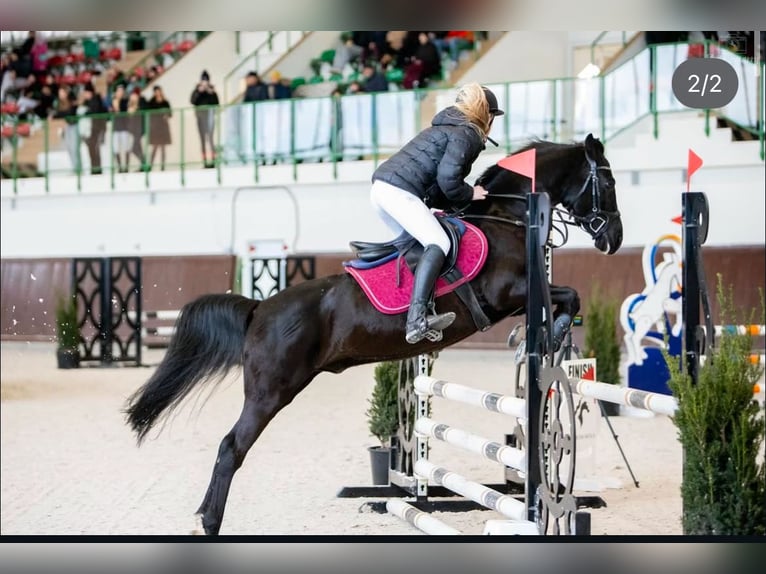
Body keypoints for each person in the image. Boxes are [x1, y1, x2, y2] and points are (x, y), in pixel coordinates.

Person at [368, 83, 503, 344]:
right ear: (486, 115)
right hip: (399, 191)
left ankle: (418, 313)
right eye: (492, 117)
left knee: (418, 249)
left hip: (381, 190)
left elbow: (439, 186)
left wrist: (453, 203)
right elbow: (449, 178)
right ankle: (417, 318)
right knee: (438, 242)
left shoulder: (446, 126)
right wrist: (469, 194)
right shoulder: (469, 133)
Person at [190, 70, 219, 168]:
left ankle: (213, 160)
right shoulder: (197, 90)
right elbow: (192, 101)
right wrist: (199, 91)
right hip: (200, 115)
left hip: (209, 114)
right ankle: (205, 160)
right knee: (202, 139)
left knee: (210, 138)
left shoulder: (211, 90)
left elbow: (216, 103)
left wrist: (211, 92)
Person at [146, 85, 172, 171]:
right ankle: (150, 165)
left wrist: (166, 115)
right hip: (155, 127)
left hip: (163, 126)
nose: (158, 93)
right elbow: (149, 112)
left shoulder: (165, 102)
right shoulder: (151, 102)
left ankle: (163, 166)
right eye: (156, 91)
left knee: (163, 148)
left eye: (159, 91)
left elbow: (170, 113)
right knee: (155, 147)